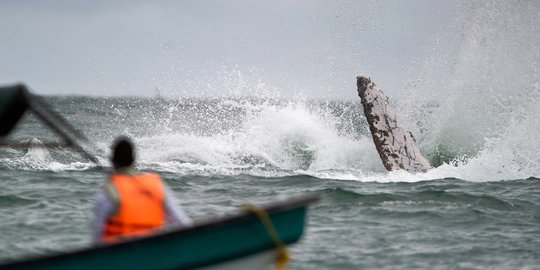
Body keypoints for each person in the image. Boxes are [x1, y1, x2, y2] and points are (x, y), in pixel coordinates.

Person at [92, 136, 192, 244]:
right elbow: (182, 223)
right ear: (134, 160)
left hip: (120, 256)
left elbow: (97, 237)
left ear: (112, 161)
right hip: (154, 252)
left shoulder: (108, 192)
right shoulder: (157, 185)